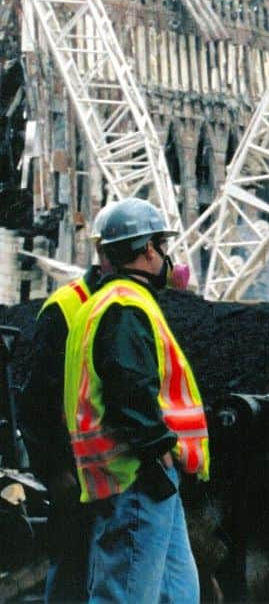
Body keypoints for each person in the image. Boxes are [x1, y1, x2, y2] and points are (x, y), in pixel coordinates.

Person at [63, 197, 209, 604]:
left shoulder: (101, 306)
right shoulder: (126, 307)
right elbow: (130, 389)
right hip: (138, 476)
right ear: (147, 250)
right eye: (162, 246)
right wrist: (159, 452)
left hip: (143, 478)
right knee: (127, 595)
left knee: (177, 593)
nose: (166, 256)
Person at [18, 209, 112, 603]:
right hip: (74, 469)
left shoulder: (124, 302)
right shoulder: (66, 308)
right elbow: (37, 398)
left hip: (108, 468)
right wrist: (55, 471)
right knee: (74, 566)